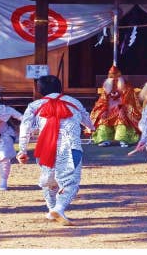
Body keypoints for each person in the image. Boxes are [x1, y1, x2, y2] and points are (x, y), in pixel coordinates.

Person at [16, 75, 95, 225]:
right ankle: (58, 208)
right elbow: (88, 121)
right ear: (61, 88)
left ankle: (52, 209)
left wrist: (22, 150)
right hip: (70, 146)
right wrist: (91, 128)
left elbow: (25, 128)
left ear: (39, 90)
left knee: (50, 181)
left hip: (46, 147)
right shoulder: (74, 102)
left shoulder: (35, 105)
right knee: (70, 182)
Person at [89, 65, 142, 147]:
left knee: (122, 120)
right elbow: (102, 101)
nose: (114, 80)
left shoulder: (127, 86)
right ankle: (104, 139)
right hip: (109, 109)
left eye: (116, 78)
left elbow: (128, 101)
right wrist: (104, 110)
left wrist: (121, 109)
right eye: (112, 78)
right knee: (102, 119)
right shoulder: (106, 86)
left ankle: (123, 139)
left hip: (123, 109)